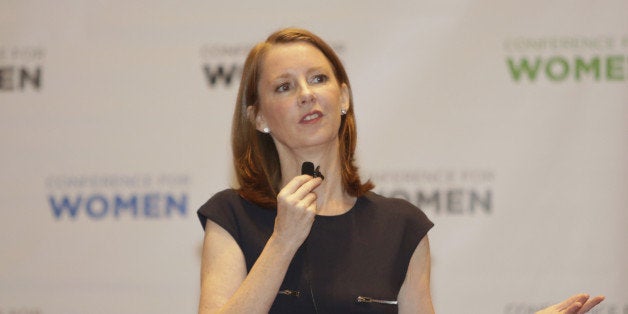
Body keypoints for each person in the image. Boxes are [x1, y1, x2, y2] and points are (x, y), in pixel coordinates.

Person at [197, 28, 604, 314]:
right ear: (258, 117)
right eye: (284, 87)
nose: (306, 95)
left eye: (318, 79)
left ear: (343, 97)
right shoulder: (232, 216)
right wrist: (282, 242)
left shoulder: (400, 226)